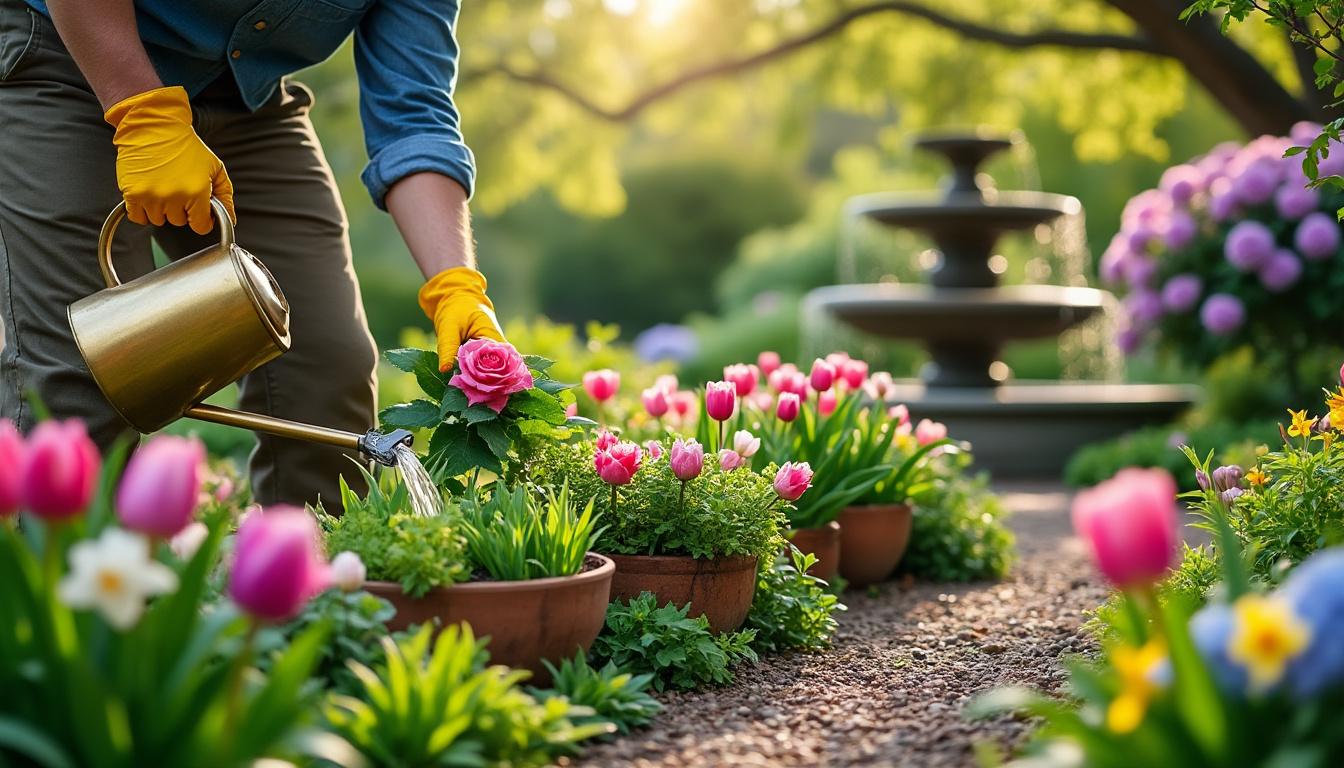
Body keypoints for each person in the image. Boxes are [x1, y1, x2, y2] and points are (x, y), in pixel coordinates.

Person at [0, 0, 504, 506]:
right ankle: (61, 583)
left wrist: (455, 283)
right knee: (84, 378)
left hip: (246, 98)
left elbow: (414, 113)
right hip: (69, 58)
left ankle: (316, 577)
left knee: (326, 366)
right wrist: (143, 114)